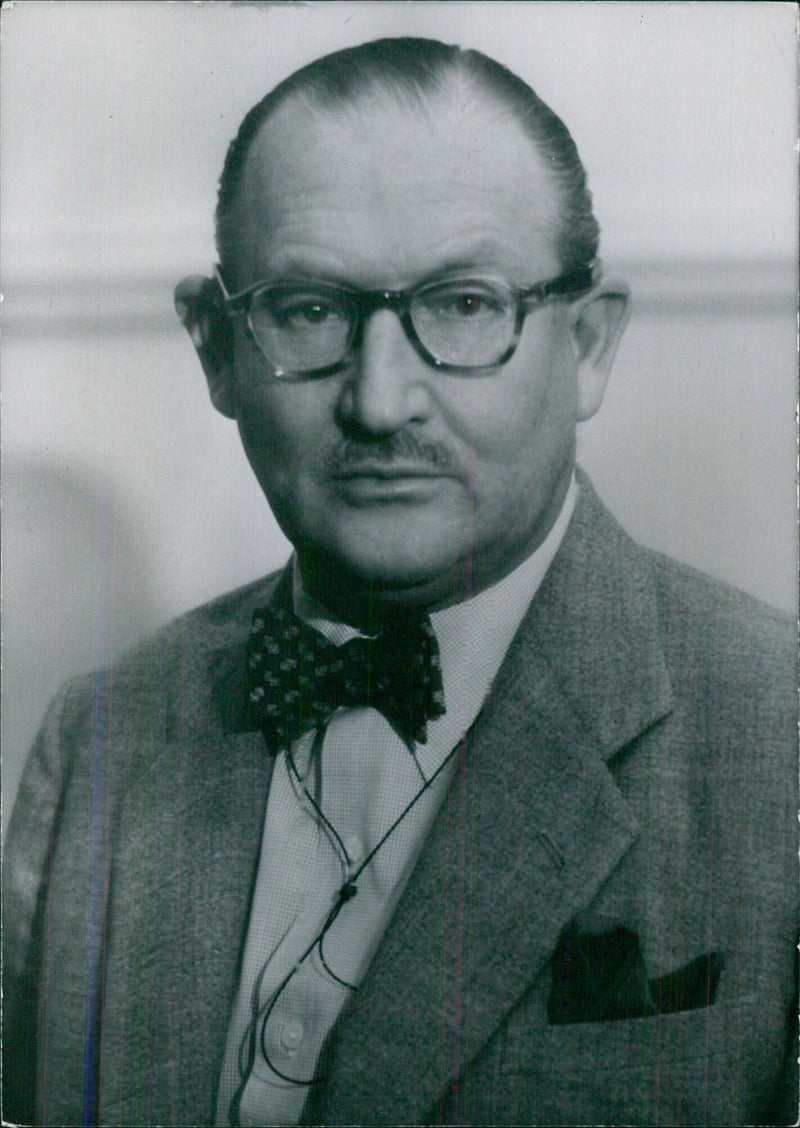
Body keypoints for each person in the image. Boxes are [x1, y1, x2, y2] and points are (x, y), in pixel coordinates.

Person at [3, 37, 796, 1128]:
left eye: (464, 305)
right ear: (216, 351)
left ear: (589, 346)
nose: (380, 402)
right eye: (308, 310)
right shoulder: (100, 741)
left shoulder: (779, 736)